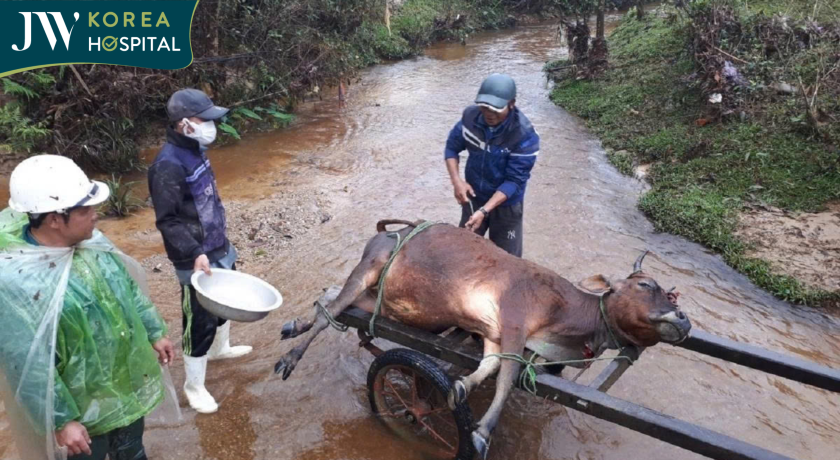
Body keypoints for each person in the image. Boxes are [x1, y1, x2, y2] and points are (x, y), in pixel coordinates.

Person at [0, 154, 174, 459]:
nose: (96, 215)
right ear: (54, 218)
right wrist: (62, 419)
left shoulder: (91, 242)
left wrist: (154, 331)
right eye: (85, 209)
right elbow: (28, 364)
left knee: (132, 451)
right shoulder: (18, 281)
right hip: (80, 408)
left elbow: (128, 290)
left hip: (124, 383)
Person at [148, 88, 251, 414]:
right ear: (183, 124)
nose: (210, 125)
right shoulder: (166, 165)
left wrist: (218, 240)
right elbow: (167, 220)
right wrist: (194, 251)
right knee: (199, 321)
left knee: (226, 303)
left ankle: (220, 350)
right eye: (202, 120)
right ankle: (194, 386)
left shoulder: (195, 149)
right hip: (194, 257)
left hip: (217, 246)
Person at [443, 73, 540, 257]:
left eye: (496, 108)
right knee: (463, 252)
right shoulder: (470, 118)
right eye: (484, 106)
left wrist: (485, 211)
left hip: (506, 206)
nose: (489, 113)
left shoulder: (524, 135)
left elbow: (514, 181)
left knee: (507, 261)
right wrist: (457, 182)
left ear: (512, 103)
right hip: (473, 198)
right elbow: (451, 148)